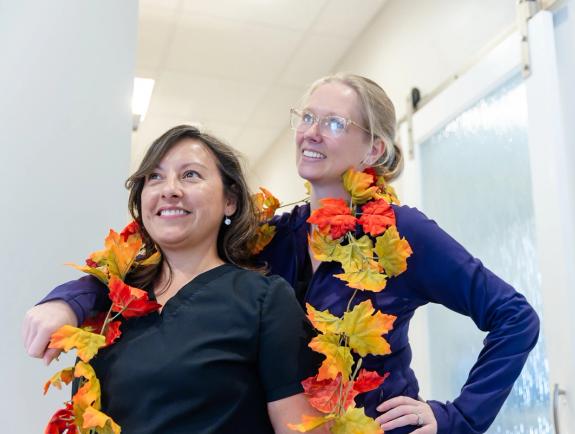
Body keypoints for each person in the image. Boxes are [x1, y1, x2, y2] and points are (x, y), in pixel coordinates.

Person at [24, 74, 540, 434]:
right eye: (307, 117)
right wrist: (68, 300)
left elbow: (515, 318)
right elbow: (142, 257)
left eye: (335, 124)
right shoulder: (271, 234)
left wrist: (458, 418)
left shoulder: (404, 235)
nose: (311, 132)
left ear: (374, 150)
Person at [26, 125, 323, 434]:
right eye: (154, 176)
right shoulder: (114, 298)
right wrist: (62, 303)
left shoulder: (264, 300)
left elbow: (302, 428)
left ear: (230, 200)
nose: (169, 189)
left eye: (190, 175)